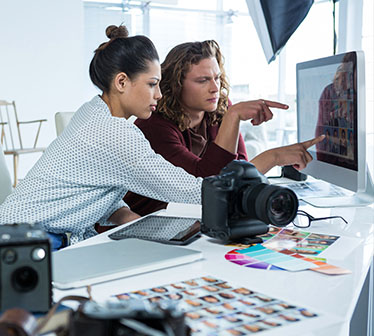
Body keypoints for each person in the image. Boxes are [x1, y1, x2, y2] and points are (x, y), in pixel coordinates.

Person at [0, 25, 203, 245]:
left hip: (21, 232)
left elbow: (89, 185)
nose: (159, 94)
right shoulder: (114, 133)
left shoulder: (92, 111)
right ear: (122, 82)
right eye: (152, 84)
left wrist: (127, 217)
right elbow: (185, 190)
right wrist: (239, 188)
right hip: (27, 244)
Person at [124, 40, 324, 216]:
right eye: (202, 80)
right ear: (175, 85)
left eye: (217, 78)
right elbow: (208, 186)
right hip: (142, 224)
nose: (215, 88)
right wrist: (274, 157)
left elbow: (241, 175)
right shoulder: (153, 126)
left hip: (192, 220)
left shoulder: (219, 109)